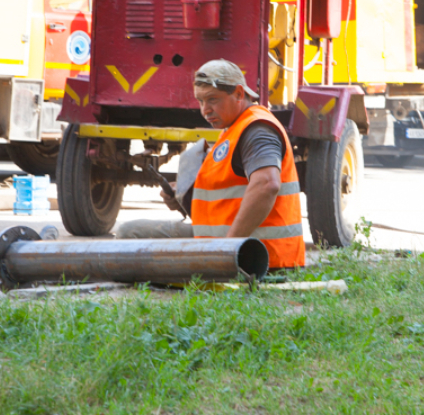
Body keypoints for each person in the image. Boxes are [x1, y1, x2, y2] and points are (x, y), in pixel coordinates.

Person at [117, 59, 305, 269]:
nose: (205, 110)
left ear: (239, 94)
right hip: (220, 242)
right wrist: (182, 195)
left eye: (212, 100)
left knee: (129, 238)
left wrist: (227, 251)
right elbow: (229, 192)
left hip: (261, 257)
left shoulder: (257, 130)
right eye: (200, 101)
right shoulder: (233, 128)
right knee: (129, 234)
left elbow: (267, 185)